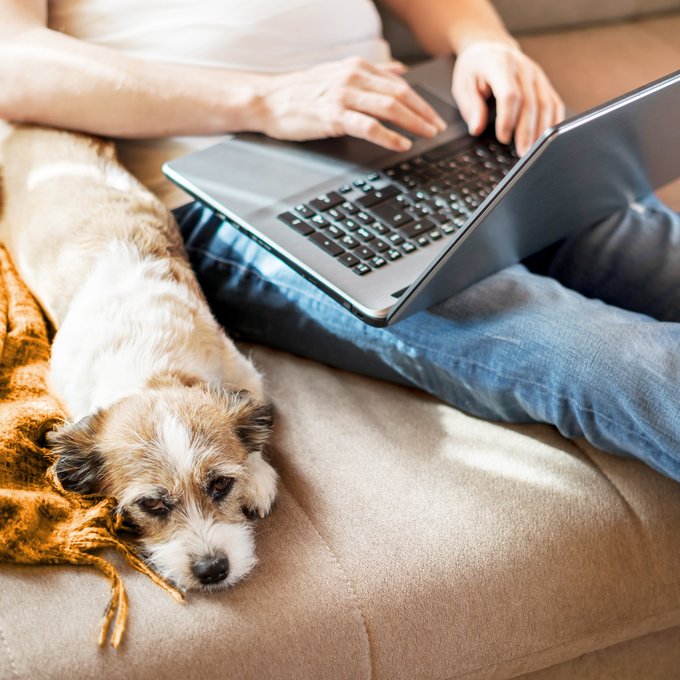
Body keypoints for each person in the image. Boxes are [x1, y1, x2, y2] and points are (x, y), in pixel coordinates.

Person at [1, 0, 679, 481]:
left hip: (427, 132)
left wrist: (486, 41)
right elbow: (15, 64)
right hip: (236, 188)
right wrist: (269, 99)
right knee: (606, 355)